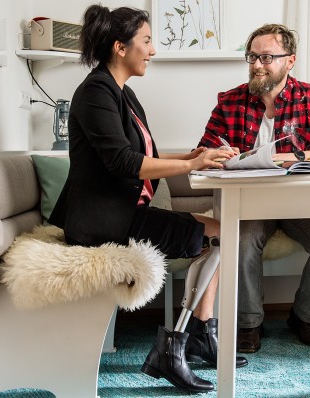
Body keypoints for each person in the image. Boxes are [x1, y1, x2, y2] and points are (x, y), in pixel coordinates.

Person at [47, 4, 246, 392]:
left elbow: (146, 153)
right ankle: (173, 350)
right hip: (103, 223)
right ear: (120, 47)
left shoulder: (122, 92)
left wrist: (193, 156)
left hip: (126, 213)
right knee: (222, 235)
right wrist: (193, 166)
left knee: (225, 232)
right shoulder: (95, 93)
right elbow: (124, 162)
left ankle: (200, 333)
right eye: (147, 41)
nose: (152, 51)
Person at [197, 23, 310, 353]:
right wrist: (220, 154)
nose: (256, 64)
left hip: (302, 204)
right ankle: (250, 323)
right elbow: (202, 151)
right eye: (252, 56)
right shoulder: (229, 102)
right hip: (249, 204)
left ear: (289, 61)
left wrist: (297, 155)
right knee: (241, 240)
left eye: (266, 57)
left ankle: (304, 317)